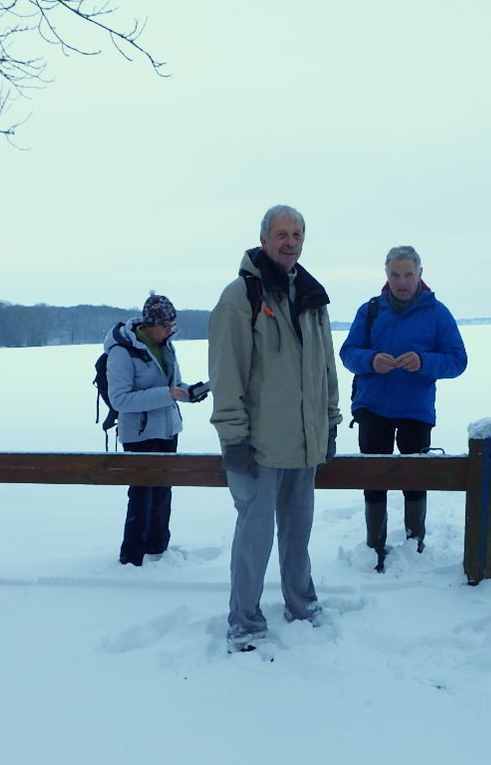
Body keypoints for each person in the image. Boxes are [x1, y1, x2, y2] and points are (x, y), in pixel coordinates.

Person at [208, 204, 341, 654]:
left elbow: (326, 367)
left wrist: (330, 422)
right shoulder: (240, 297)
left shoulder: (310, 295)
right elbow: (227, 374)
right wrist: (233, 439)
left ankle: (301, 603)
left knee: (298, 532)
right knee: (255, 536)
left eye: (297, 233)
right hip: (258, 447)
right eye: (281, 233)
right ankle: (244, 620)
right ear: (264, 239)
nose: (290, 241)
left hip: (305, 443)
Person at [339, 246, 467, 572]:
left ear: (420, 274)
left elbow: (457, 360)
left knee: (415, 478)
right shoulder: (370, 310)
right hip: (372, 409)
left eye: (408, 274)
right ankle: (375, 547)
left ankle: (415, 544)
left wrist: (424, 362)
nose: (402, 281)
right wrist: (371, 360)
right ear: (387, 276)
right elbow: (348, 352)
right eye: (395, 274)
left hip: (416, 411)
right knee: (373, 478)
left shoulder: (437, 313)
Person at [106, 293, 196, 567]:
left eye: (173, 326)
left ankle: (158, 550)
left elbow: (175, 384)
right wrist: (167, 394)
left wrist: (190, 392)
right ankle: (132, 557)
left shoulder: (167, 347)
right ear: (149, 323)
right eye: (166, 326)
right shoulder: (122, 352)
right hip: (140, 434)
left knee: (163, 492)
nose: (170, 331)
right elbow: (119, 399)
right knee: (141, 496)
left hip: (168, 429)